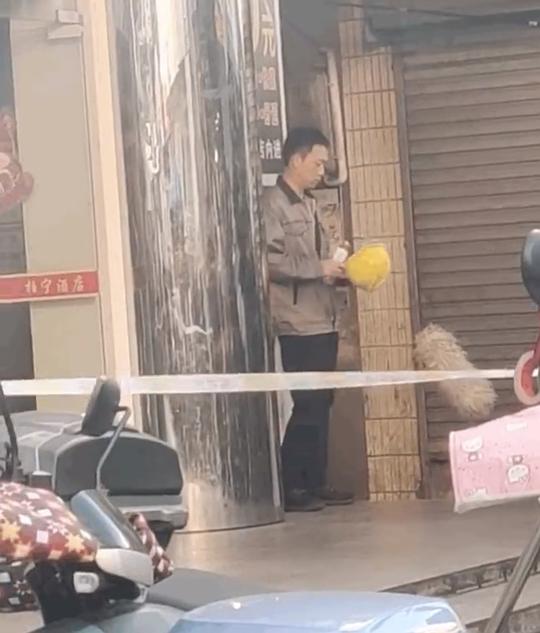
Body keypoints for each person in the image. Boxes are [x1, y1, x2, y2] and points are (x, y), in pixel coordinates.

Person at [262, 127, 353, 512]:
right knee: (307, 403)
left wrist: (339, 269)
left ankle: (316, 481)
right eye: (316, 163)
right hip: (297, 322)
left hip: (324, 315)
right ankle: (291, 486)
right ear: (295, 159)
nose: (321, 172)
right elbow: (270, 262)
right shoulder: (273, 205)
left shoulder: (310, 204)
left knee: (322, 402)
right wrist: (319, 267)